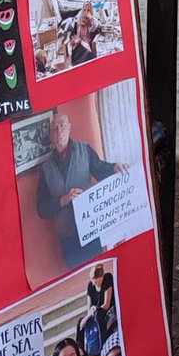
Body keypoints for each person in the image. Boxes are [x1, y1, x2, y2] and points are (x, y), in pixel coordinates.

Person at [36, 113, 129, 270]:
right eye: (55, 128)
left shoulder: (84, 150)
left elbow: (100, 169)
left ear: (69, 128)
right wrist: (62, 200)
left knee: (98, 272)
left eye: (62, 125)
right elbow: (42, 209)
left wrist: (114, 168)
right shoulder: (45, 169)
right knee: (77, 274)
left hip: (91, 229)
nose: (59, 130)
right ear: (51, 135)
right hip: (67, 236)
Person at [82, 264, 117, 345]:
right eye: (94, 279)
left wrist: (95, 310)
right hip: (94, 311)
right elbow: (89, 307)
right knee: (81, 323)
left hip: (107, 309)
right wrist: (89, 315)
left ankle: (103, 343)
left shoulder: (107, 278)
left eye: (99, 279)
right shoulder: (90, 286)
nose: (97, 281)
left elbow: (106, 304)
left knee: (98, 315)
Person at [69, 1, 102, 66]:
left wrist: (90, 18)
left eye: (88, 10)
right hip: (78, 41)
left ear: (91, 11)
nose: (86, 12)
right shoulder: (79, 20)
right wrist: (74, 38)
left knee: (87, 54)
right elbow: (74, 33)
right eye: (84, 10)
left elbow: (95, 29)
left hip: (87, 41)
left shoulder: (92, 20)